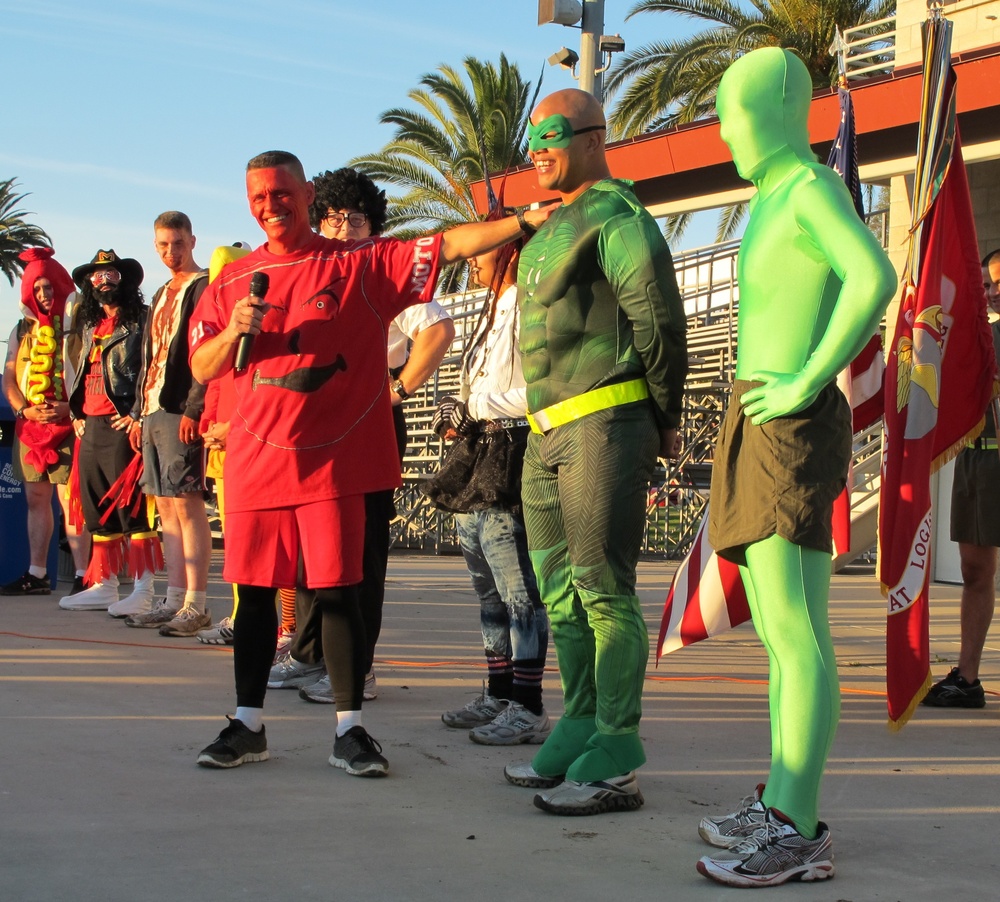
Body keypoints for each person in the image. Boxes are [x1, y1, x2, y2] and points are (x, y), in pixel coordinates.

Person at [188, 150, 551, 776]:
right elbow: (201, 367)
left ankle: (350, 730)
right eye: (258, 197)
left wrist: (523, 221)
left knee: (338, 593)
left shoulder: (358, 265)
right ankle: (247, 724)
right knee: (253, 597)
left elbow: (449, 245)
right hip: (254, 465)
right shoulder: (229, 283)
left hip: (332, 467)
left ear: (306, 196)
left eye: (281, 194)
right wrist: (232, 332)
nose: (270, 206)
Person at [696, 48, 897, 887]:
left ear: (778, 110)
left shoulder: (812, 188)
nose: (726, 132)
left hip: (789, 419)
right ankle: (782, 798)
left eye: (734, 115)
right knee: (782, 637)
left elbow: (873, 275)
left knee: (795, 630)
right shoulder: (776, 194)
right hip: (761, 412)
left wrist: (811, 377)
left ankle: (797, 823)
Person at [501, 89, 687, 815]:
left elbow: (658, 316)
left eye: (551, 135)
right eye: (534, 139)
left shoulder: (617, 216)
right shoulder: (549, 226)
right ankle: (578, 720)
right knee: (558, 593)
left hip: (605, 422)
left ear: (591, 136)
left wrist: (665, 413)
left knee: (604, 590)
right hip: (544, 429)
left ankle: (617, 750)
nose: (539, 150)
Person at [268, 167, 455, 703]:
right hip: (312, 425)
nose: (343, 229)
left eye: (356, 219)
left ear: (373, 225)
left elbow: (439, 329)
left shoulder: (382, 273)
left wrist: (396, 388)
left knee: (362, 547)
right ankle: (308, 655)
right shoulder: (309, 271)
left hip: (369, 422)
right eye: (331, 217)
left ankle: (358, 667)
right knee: (309, 544)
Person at [426, 240, 551, 745]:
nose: (473, 258)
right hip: (476, 459)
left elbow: (544, 388)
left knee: (519, 590)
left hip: (510, 454)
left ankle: (529, 704)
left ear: (513, 254)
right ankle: (499, 693)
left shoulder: (532, 306)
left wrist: (474, 406)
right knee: (488, 591)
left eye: (486, 248)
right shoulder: (492, 309)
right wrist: (460, 409)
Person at [121, 212, 212, 634]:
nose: (170, 252)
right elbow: (148, 356)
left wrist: (196, 408)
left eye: (177, 243)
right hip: (153, 406)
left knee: (187, 502)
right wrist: (139, 412)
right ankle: (174, 597)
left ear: (192, 241)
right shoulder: (159, 293)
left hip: (181, 407)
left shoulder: (204, 286)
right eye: (162, 245)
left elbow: (202, 355)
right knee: (164, 506)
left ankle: (196, 602)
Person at [60, 250, 159, 612]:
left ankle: (144, 590)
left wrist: (136, 414)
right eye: (98, 275)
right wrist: (76, 413)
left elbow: (153, 369)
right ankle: (104, 584)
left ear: (125, 280)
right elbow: (81, 375)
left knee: (131, 507)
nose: (104, 281)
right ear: (89, 284)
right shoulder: (89, 326)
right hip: (92, 423)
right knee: (96, 506)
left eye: (111, 273)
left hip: (122, 423)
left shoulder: (141, 322)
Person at [923, 248, 1000, 708]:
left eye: (998, 284)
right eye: (987, 284)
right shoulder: (976, 336)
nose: (992, 291)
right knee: (975, 572)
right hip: (977, 459)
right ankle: (968, 678)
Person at [1, 248, 90, 596]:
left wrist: (71, 408)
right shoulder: (21, 329)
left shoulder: (80, 325)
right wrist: (23, 410)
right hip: (31, 425)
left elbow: (90, 374)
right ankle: (37, 574)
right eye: (36, 289)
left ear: (60, 285)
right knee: (37, 498)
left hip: (70, 423)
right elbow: (9, 377)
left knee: (73, 501)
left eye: (48, 287)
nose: (43, 294)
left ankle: (85, 576)